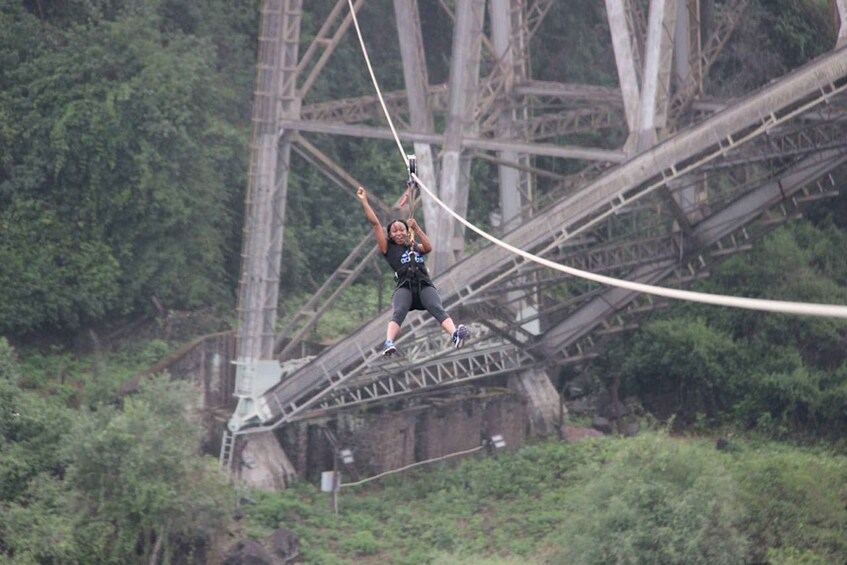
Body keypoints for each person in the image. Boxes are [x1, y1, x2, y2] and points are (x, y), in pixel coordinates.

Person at [357, 185, 469, 356]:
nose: (399, 233)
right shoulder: (388, 249)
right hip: (405, 287)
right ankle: (388, 342)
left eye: (402, 229)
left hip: (424, 285)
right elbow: (375, 224)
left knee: (437, 307)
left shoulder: (413, 247)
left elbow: (429, 247)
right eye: (394, 231)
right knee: (399, 312)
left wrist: (416, 229)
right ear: (391, 235)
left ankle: (454, 335)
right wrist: (365, 201)